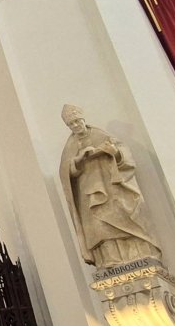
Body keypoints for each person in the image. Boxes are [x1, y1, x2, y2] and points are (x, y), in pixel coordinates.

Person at [59, 105, 160, 268]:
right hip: (89, 192)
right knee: (100, 226)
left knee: (122, 215)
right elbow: (65, 172)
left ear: (83, 119)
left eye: (77, 121)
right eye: (71, 124)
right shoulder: (70, 146)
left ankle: (138, 253)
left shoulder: (100, 135)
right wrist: (78, 160)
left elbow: (124, 155)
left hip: (111, 186)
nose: (75, 125)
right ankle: (110, 260)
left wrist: (114, 152)